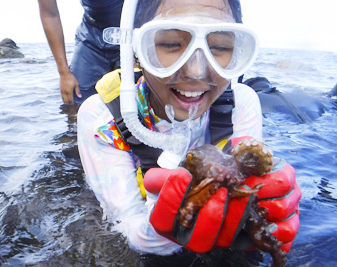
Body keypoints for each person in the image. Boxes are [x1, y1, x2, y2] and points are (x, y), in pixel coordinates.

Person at [78, 0, 301, 259]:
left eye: (219, 47)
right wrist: (161, 230)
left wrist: (266, 201)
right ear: (137, 51)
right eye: (170, 44)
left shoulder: (242, 102)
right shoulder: (101, 117)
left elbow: (250, 179)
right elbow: (126, 225)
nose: (196, 71)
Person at [38, 0, 123, 104]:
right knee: (74, 99)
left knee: (138, 98)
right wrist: (64, 73)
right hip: (92, 35)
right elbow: (49, 14)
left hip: (135, 34)